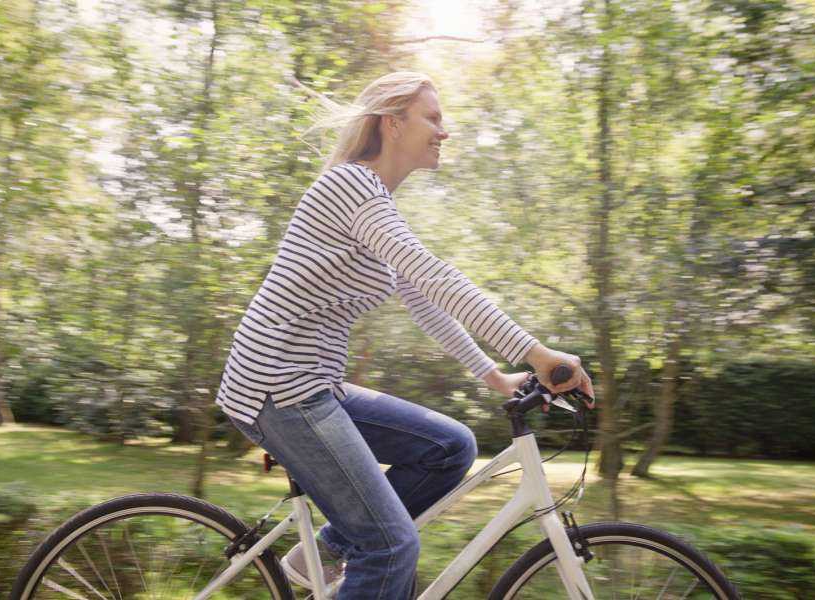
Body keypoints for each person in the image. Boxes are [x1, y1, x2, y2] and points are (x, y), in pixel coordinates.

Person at [215, 71, 595, 600]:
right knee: (391, 546)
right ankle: (350, 552)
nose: (445, 131)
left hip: (314, 386)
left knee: (450, 446)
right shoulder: (350, 186)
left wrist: (496, 376)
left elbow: (425, 298)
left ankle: (325, 551)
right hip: (279, 388)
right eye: (433, 118)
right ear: (393, 123)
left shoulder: (378, 206)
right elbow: (434, 274)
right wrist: (536, 354)